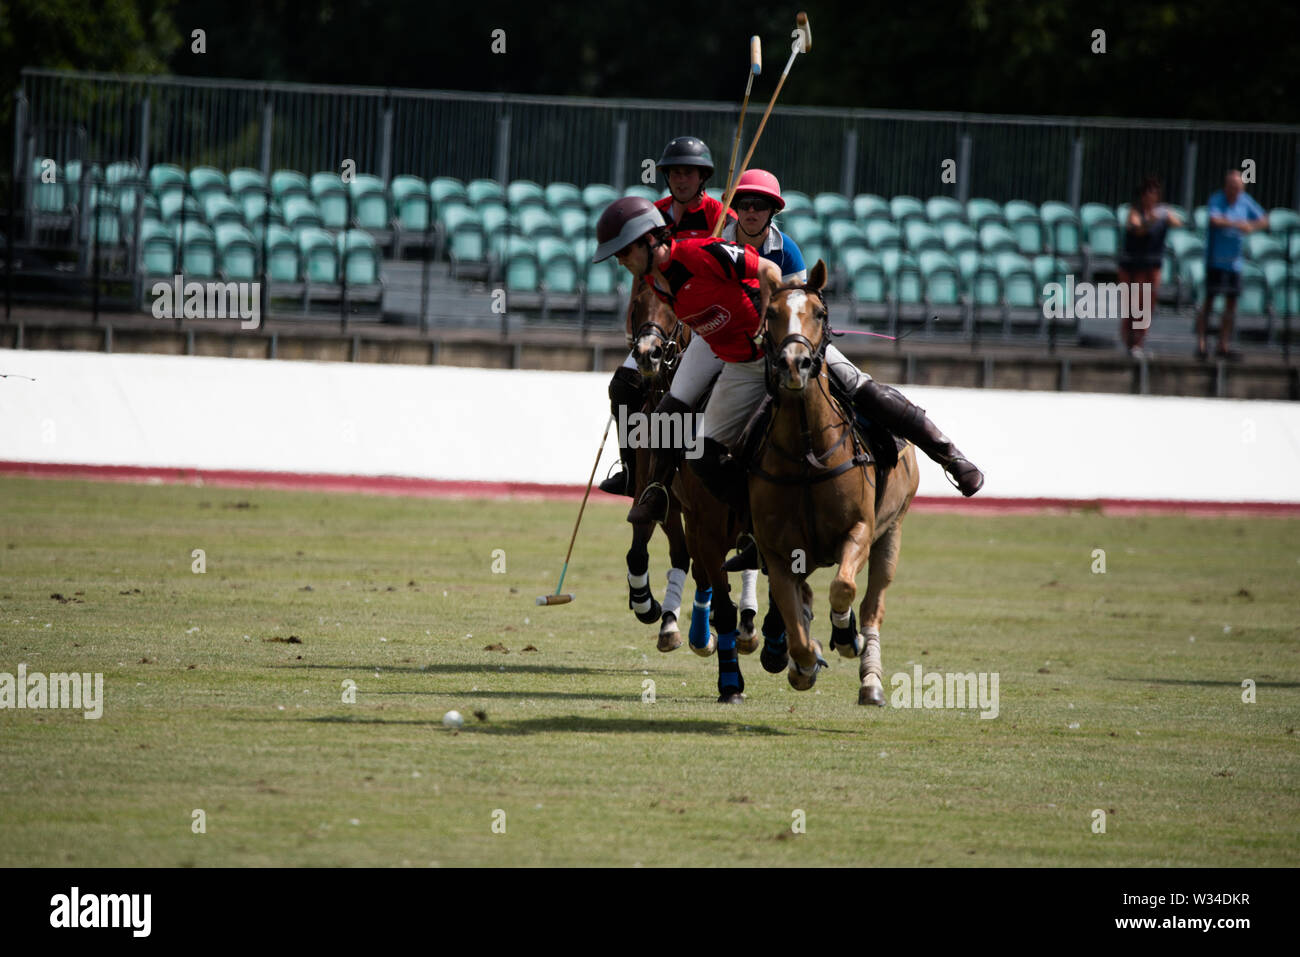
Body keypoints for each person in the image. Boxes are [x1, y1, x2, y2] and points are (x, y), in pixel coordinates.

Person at [588, 196, 984, 536]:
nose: (620, 262)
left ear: (648, 240)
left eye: (623, 252)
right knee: (700, 453)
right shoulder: (656, 282)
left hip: (779, 347)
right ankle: (751, 527)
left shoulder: (700, 253)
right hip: (737, 363)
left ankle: (949, 456)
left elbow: (768, 271)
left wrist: (764, 321)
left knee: (857, 385)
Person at [598, 136, 736, 497]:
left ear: (702, 176)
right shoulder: (650, 215)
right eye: (674, 172)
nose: (680, 179)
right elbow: (639, 274)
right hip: (659, 322)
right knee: (622, 386)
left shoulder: (721, 217)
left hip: (706, 325)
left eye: (688, 172)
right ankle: (632, 469)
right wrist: (634, 318)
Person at [1195, 169, 1269, 360]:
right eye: (1232, 187)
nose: (1234, 191)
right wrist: (1239, 224)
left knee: (1231, 305)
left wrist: (1251, 226)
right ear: (1226, 186)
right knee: (1209, 303)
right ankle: (1202, 344)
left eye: (1238, 188)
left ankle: (1223, 344)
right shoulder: (1217, 199)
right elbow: (1214, 219)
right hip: (1215, 261)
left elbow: (1264, 220)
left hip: (1235, 264)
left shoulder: (1245, 201)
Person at [1118, 175, 1182, 359]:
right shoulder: (1135, 212)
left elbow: (1178, 222)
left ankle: (1139, 343)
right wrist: (1152, 220)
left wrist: (1166, 216)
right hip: (1133, 265)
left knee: (1147, 306)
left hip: (1153, 264)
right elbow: (1138, 229)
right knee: (1133, 306)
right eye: (1148, 193)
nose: (1151, 196)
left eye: (1154, 193)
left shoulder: (1162, 212)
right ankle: (1130, 343)